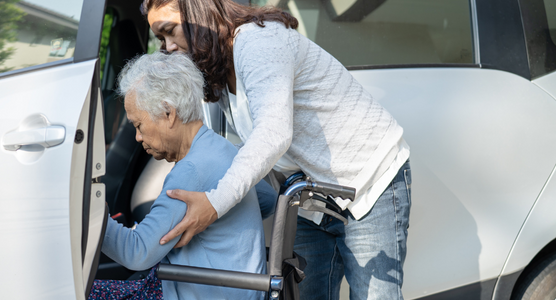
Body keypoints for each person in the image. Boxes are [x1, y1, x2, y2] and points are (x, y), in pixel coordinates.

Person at [141, 0, 412, 299]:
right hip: (312, 199)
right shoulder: (217, 70)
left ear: (198, 13)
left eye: (169, 31)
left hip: (367, 183)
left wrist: (215, 203)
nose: (167, 46)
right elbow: (236, 149)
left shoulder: (257, 41)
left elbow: (273, 133)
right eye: (160, 39)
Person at [93, 52, 274, 300]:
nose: (137, 137)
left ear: (168, 112)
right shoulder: (225, 150)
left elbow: (136, 253)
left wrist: (93, 217)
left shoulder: (191, 171)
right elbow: (268, 199)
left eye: (138, 125)